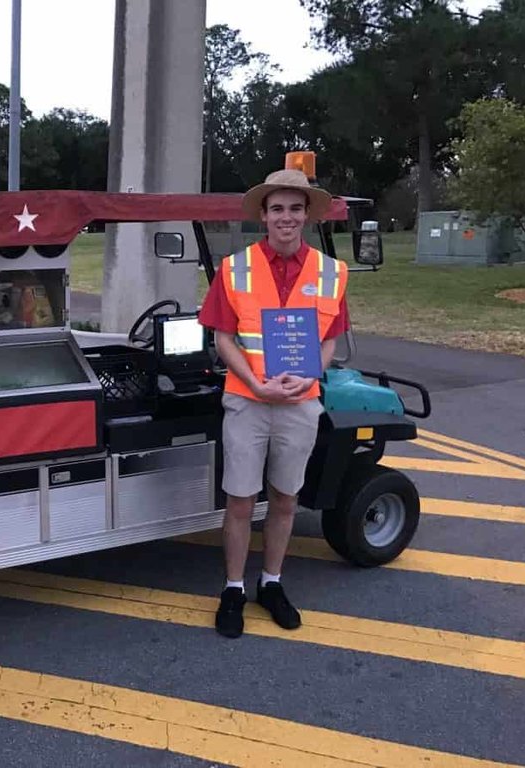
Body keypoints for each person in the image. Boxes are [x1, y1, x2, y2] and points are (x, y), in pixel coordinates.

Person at [199, 169, 350, 639]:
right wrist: (256, 385)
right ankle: (232, 589)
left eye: (296, 208)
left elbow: (329, 341)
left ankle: (272, 582)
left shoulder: (331, 272)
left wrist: (312, 374)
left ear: (307, 215)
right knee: (240, 499)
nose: (287, 217)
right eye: (278, 208)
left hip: (301, 403)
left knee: (286, 498)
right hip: (248, 400)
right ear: (263, 215)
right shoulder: (234, 268)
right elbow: (223, 340)